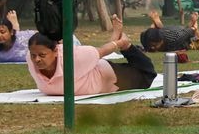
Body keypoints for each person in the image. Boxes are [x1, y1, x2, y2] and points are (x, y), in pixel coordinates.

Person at [26, 13, 158, 96]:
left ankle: (125, 44)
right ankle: (115, 38)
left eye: (42, 55)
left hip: (106, 76)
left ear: (56, 51)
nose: (36, 60)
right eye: (34, 55)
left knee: (147, 74)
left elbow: (102, 51)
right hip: (86, 72)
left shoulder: (73, 56)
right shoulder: (30, 57)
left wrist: (120, 44)